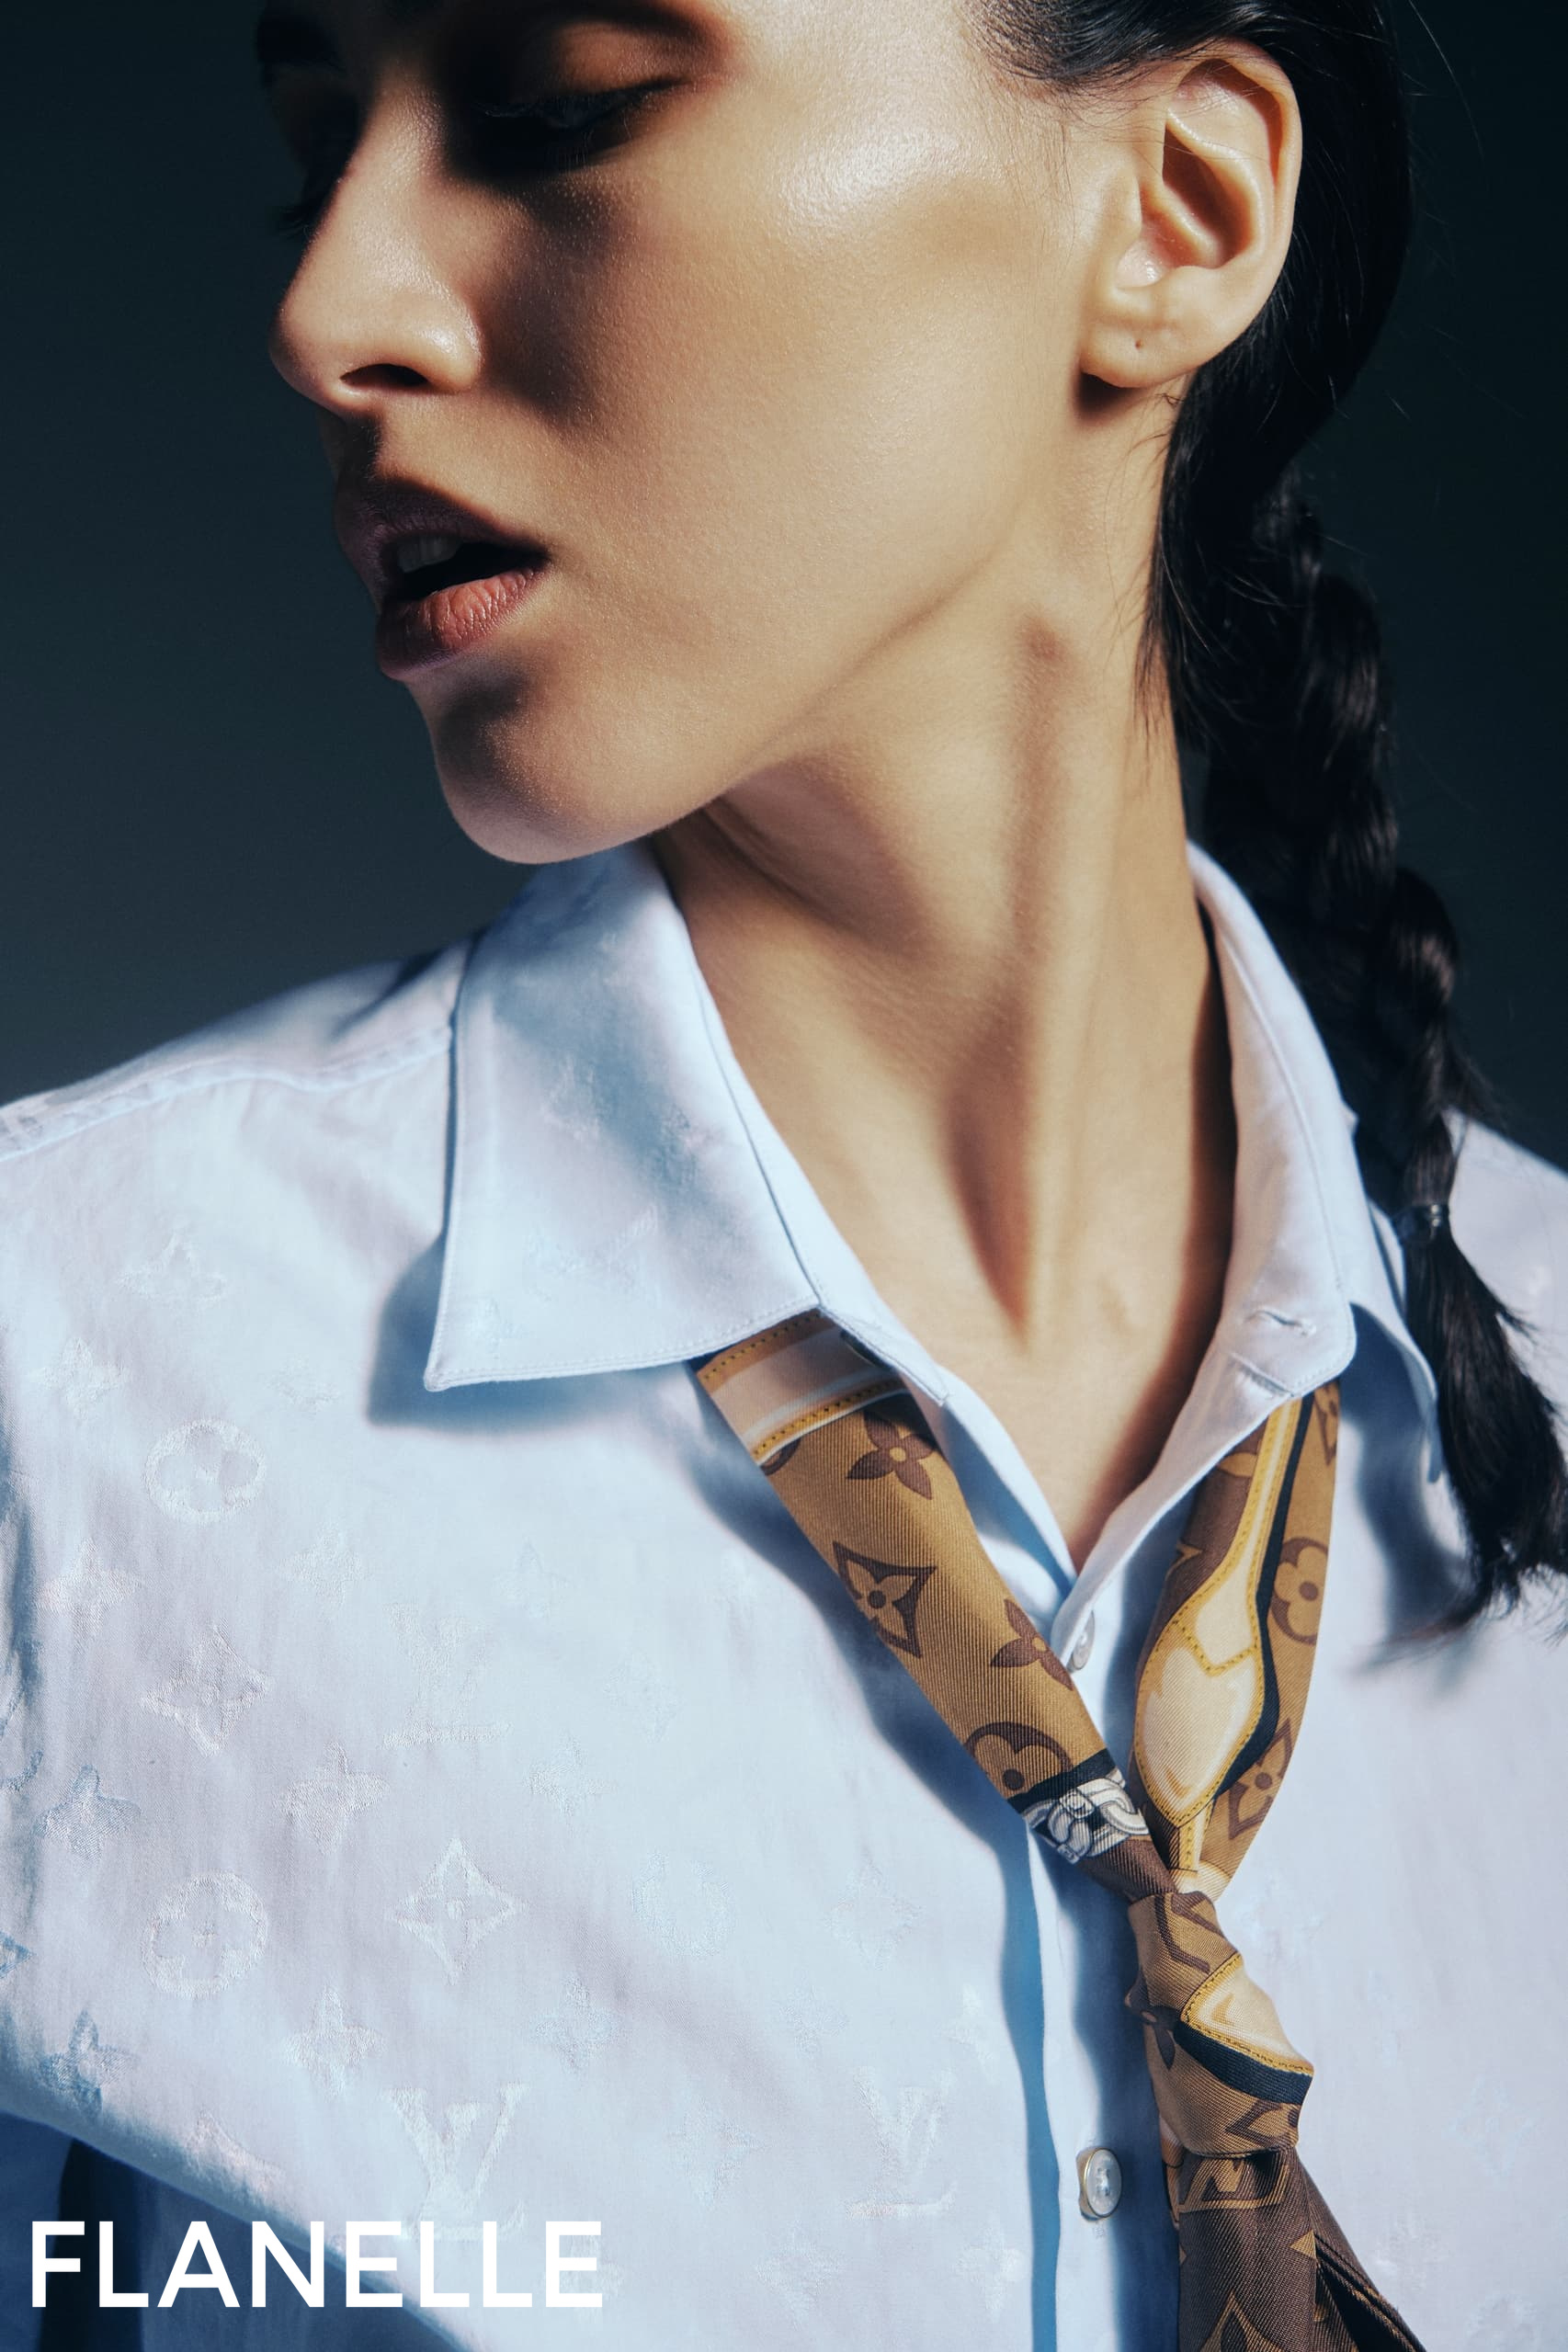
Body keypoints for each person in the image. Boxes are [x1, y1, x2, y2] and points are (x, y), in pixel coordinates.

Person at [1, 0, 1563, 2345]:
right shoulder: (62, 1388)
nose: (326, 315)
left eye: (557, 110)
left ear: (1181, 211)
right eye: (314, 153)